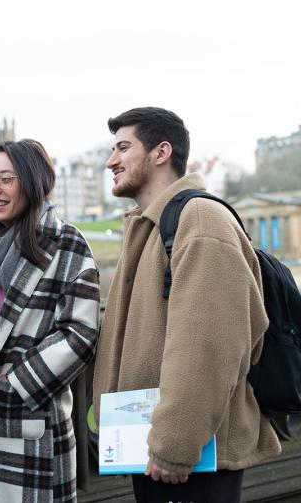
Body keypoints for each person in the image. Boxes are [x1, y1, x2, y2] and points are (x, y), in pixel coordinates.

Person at [93, 107, 281, 502]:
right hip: (153, 446)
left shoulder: (200, 219)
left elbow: (208, 344)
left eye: (123, 148)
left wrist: (175, 444)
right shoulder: (150, 223)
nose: (111, 160)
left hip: (190, 458)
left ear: (161, 152)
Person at [0, 139, 101, 503]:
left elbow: (80, 332)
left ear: (32, 182)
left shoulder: (67, 246)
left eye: (6, 179)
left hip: (37, 424)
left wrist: (14, 381)